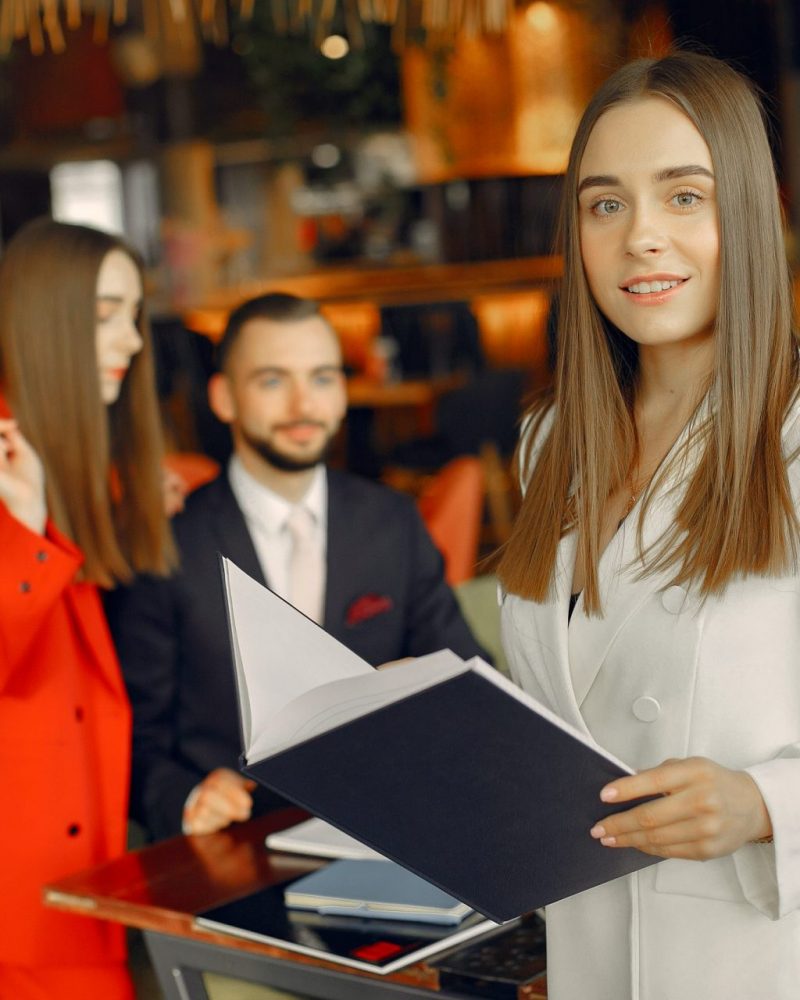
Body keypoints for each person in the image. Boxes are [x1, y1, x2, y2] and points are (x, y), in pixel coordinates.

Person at [496, 51, 800, 999]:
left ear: (744, 214)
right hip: (584, 955)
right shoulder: (550, 443)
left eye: (682, 197)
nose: (639, 240)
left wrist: (764, 805)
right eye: (605, 205)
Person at [106, 292, 488, 841]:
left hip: (385, 832)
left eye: (323, 378)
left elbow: (467, 674)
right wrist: (187, 797)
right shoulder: (166, 546)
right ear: (224, 398)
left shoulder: (391, 522)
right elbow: (132, 736)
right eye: (271, 381)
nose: (303, 404)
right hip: (231, 848)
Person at [0, 218, 175, 999]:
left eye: (133, 315)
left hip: (82, 888)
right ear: (43, 321)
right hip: (22, 915)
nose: (132, 339)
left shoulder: (77, 469)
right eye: (105, 313)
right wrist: (28, 529)